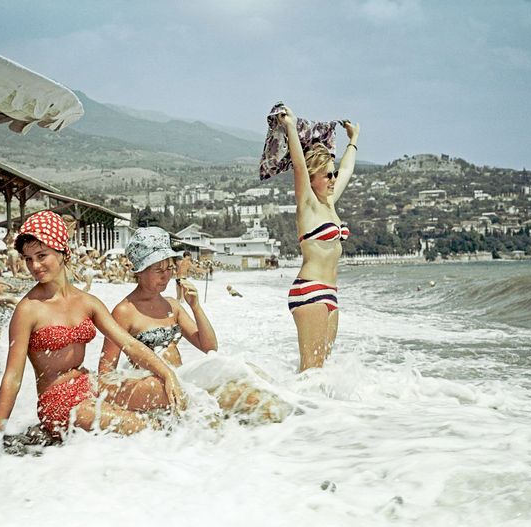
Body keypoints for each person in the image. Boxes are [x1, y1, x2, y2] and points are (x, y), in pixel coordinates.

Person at [0, 211, 184, 459]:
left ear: (63, 252)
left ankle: (214, 446)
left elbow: (129, 344)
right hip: (58, 403)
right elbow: (13, 376)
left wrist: (167, 373)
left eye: (42, 256)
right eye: (28, 259)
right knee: (145, 427)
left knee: (171, 392)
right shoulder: (28, 310)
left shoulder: (87, 302)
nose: (35, 266)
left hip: (89, 384)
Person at [102, 227, 289, 422]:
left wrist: (196, 307)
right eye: (158, 269)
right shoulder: (124, 312)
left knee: (249, 379)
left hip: (184, 380)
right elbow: (106, 372)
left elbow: (209, 347)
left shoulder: (172, 306)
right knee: (249, 398)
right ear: (139, 271)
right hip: (159, 390)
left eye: (169, 268)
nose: (165, 275)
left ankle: (293, 409)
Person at [279, 105, 360, 372]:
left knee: (321, 368)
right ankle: (287, 413)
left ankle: (311, 413)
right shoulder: (308, 204)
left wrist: (353, 140)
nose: (333, 178)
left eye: (333, 173)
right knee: (311, 370)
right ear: (313, 179)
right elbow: (299, 166)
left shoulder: (330, 204)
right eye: (327, 175)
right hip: (309, 290)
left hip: (331, 293)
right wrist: (290, 127)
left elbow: (347, 170)